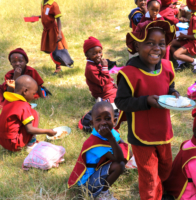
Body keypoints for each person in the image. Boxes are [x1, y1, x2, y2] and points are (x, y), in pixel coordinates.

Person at [115, 20, 178, 200]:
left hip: (163, 130)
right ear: (137, 44)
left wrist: (173, 93)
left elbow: (169, 87)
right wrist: (145, 101)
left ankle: (160, 189)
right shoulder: (129, 74)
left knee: (166, 167)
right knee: (149, 176)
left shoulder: (167, 67)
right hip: (141, 135)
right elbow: (121, 102)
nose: (156, 48)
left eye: (161, 44)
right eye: (150, 43)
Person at [67, 102, 130, 199]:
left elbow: (122, 143)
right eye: (98, 119)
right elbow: (119, 158)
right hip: (87, 184)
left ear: (114, 121)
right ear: (92, 123)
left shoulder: (112, 132)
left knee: (129, 151)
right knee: (119, 166)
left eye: (108, 118)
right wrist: (111, 138)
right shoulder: (94, 143)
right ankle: (103, 194)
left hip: (97, 171)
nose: (103, 122)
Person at [0, 75, 56, 152]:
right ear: (25, 91)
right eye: (33, 94)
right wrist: (47, 131)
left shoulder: (8, 99)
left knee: (30, 114)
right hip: (15, 144)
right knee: (34, 113)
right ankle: (31, 144)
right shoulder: (23, 106)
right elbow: (30, 130)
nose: (33, 96)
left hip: (2, 141)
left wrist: (11, 88)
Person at [33, 0, 68, 74]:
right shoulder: (43, 3)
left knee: (56, 49)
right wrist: (36, 17)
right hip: (47, 30)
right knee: (49, 49)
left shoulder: (53, 4)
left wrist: (59, 33)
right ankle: (59, 64)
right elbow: (46, 15)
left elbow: (58, 19)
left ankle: (58, 67)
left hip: (53, 30)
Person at [170, 0, 196, 73]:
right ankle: (181, 63)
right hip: (190, 40)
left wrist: (184, 36)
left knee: (176, 54)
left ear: (189, 6)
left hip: (194, 43)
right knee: (170, 43)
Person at [83, 36, 118, 103]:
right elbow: (102, 82)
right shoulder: (90, 68)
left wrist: (113, 84)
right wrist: (105, 67)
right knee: (119, 97)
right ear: (87, 55)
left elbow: (107, 78)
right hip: (102, 93)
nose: (98, 55)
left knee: (123, 90)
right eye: (94, 53)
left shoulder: (96, 63)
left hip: (108, 89)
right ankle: (103, 101)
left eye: (100, 52)